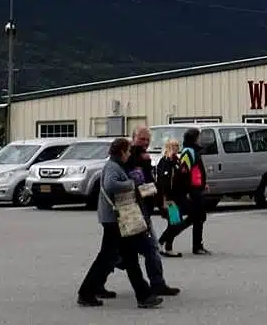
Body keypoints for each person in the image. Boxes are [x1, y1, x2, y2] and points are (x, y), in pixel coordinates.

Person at [76, 137, 162, 309]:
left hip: (114, 219)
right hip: (115, 220)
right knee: (112, 258)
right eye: (128, 151)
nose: (129, 154)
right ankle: (87, 292)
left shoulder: (113, 165)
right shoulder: (113, 167)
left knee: (124, 257)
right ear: (122, 151)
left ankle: (142, 295)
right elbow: (110, 184)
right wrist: (130, 183)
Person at [120, 126, 180, 296]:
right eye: (141, 139)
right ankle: (95, 284)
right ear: (133, 138)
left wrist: (161, 203)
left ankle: (157, 282)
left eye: (147, 140)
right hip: (131, 211)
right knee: (117, 252)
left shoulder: (147, 159)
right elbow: (137, 183)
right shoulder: (128, 157)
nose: (145, 143)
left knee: (149, 248)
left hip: (147, 208)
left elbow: (152, 184)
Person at [158, 128, 210, 255]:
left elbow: (192, 173)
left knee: (190, 218)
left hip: (183, 194)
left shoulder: (177, 159)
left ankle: (167, 246)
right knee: (177, 221)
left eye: (177, 146)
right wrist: (188, 191)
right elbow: (183, 175)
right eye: (172, 146)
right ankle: (162, 242)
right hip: (173, 197)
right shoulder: (169, 161)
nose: (176, 148)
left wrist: (202, 184)